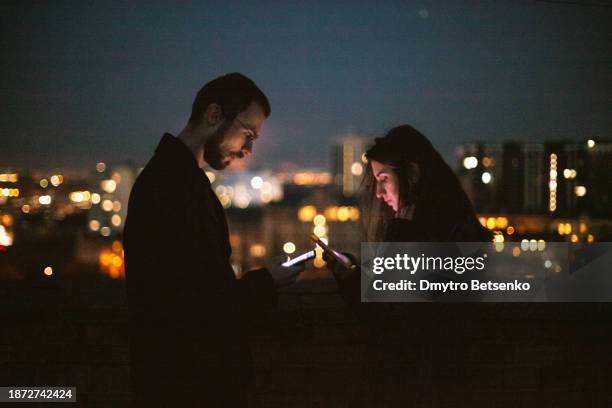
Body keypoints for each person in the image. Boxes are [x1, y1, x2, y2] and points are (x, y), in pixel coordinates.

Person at [123, 73, 303, 407]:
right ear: (214, 115)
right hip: (186, 388)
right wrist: (268, 282)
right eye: (247, 134)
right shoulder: (168, 189)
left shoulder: (181, 182)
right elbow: (192, 308)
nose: (248, 150)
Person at [327, 125, 492, 406]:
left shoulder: (445, 233)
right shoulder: (417, 226)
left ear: (413, 174)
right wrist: (350, 275)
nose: (378, 192)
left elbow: (398, 313)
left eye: (383, 178)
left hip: (422, 384)